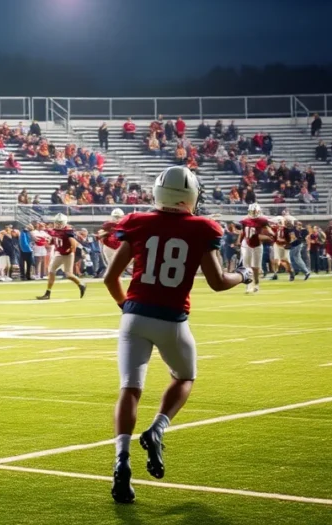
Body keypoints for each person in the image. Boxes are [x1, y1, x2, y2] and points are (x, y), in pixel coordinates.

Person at [106, 165, 252, 504]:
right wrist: (243, 276)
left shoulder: (137, 222)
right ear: (190, 196)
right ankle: (157, 428)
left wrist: (126, 309)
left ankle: (121, 461)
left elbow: (110, 279)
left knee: (130, 388)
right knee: (185, 376)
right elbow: (217, 282)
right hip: (172, 319)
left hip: (134, 315)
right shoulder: (202, 228)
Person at [37, 213, 87, 300]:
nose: (58, 224)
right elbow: (55, 241)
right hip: (59, 253)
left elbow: (73, 243)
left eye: (60, 222)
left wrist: (71, 250)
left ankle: (81, 284)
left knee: (68, 274)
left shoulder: (67, 231)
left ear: (64, 223)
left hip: (68, 254)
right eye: (57, 222)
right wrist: (50, 241)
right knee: (51, 271)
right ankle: (48, 293)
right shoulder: (54, 230)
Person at [238, 203, 273, 294]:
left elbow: (268, 228)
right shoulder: (245, 220)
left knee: (255, 267)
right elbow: (242, 232)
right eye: (252, 211)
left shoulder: (262, 220)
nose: (253, 213)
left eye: (255, 211)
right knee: (247, 267)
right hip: (246, 244)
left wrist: (271, 233)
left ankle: (256, 284)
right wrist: (239, 241)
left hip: (257, 245)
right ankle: (248, 285)